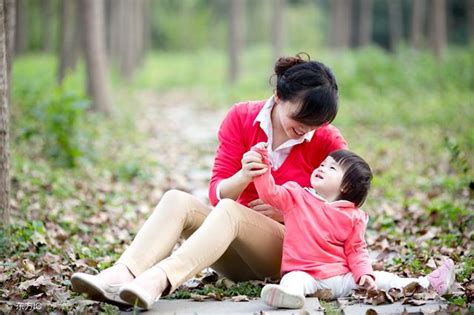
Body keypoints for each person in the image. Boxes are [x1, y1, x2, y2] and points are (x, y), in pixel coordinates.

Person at [70, 54, 348, 309]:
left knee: (231, 211)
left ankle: (157, 281)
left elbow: (346, 205)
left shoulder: (328, 140)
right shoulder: (241, 118)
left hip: (286, 256)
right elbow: (217, 193)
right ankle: (123, 273)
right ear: (277, 96)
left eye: (315, 124)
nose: (305, 130)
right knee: (177, 199)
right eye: (300, 119)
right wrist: (243, 176)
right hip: (232, 254)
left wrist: (288, 209)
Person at [250, 144, 456, 309]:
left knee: (383, 279)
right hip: (305, 273)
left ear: (345, 187)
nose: (322, 168)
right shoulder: (296, 196)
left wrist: (364, 274)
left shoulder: (353, 217)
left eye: (331, 168)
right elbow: (269, 193)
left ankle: (427, 283)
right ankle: (288, 297)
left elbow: (356, 250)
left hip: (340, 277)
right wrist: (262, 167)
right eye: (322, 164)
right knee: (293, 280)